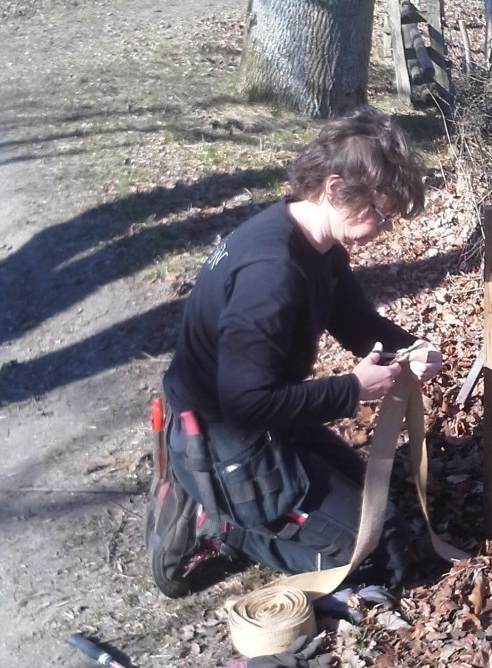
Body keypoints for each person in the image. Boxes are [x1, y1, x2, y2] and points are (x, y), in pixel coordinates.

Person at [145, 106, 442, 598]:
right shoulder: (273, 272)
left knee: (378, 501)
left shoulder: (319, 246)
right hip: (224, 437)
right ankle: (223, 523)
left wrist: (410, 348)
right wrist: (352, 391)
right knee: (382, 545)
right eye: (381, 213)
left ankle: (249, 510)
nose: (386, 227)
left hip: (264, 417)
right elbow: (244, 401)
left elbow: (357, 325)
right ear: (332, 189)